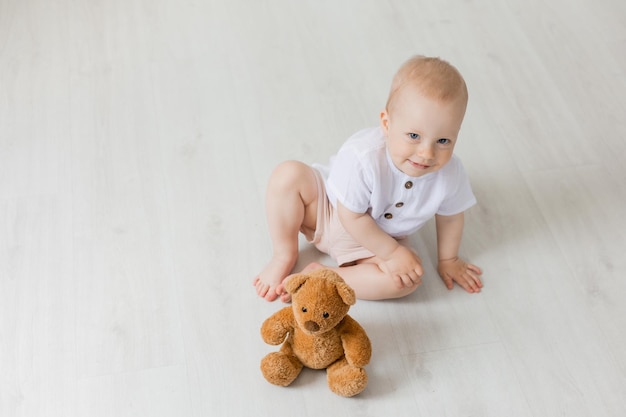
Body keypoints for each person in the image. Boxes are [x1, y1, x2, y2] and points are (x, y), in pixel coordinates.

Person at [253, 55, 483, 302]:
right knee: (287, 175)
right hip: (325, 212)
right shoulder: (364, 157)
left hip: (375, 241)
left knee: (406, 280)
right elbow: (350, 215)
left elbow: (450, 218)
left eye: (443, 141)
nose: (427, 153)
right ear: (386, 123)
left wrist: (448, 259)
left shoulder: (450, 174)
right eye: (414, 135)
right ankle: (283, 254)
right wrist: (393, 253)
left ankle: (326, 276)